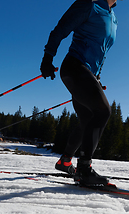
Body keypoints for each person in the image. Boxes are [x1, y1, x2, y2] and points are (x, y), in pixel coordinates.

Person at [40, 0, 118, 187]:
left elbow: (100, 50)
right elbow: (61, 28)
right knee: (102, 111)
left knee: (87, 119)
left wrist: (95, 78)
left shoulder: (113, 18)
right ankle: (84, 169)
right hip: (75, 67)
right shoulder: (89, 5)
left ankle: (65, 161)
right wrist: (48, 57)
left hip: (88, 73)